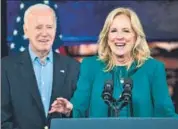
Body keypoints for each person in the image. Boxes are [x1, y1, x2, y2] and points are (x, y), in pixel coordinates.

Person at [49, 7, 178, 118]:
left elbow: (165, 114)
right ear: (107, 36)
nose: (119, 36)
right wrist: (69, 109)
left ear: (136, 36)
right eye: (113, 30)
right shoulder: (90, 67)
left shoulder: (153, 69)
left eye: (126, 31)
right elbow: (80, 108)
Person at [1, 4, 80, 129]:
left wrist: (70, 110)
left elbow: (81, 114)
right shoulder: (5, 68)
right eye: (38, 27)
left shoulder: (73, 67)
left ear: (55, 30)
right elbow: (2, 120)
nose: (44, 33)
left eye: (49, 27)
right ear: (26, 30)